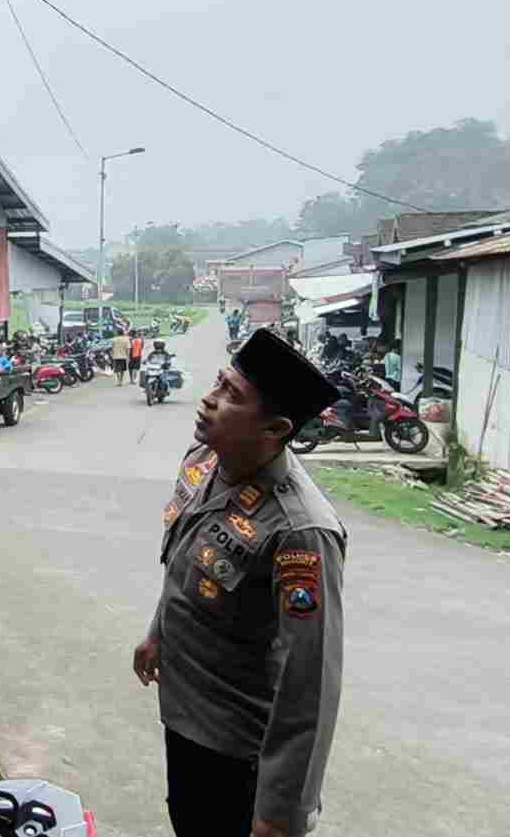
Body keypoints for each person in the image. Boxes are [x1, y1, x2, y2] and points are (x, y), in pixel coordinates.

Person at [132, 328, 345, 837]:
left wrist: (281, 812)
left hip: (235, 749)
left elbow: (310, 683)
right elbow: (185, 558)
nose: (209, 399)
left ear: (275, 429)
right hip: (183, 713)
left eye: (231, 395)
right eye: (217, 382)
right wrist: (157, 632)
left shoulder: (301, 530)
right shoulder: (205, 459)